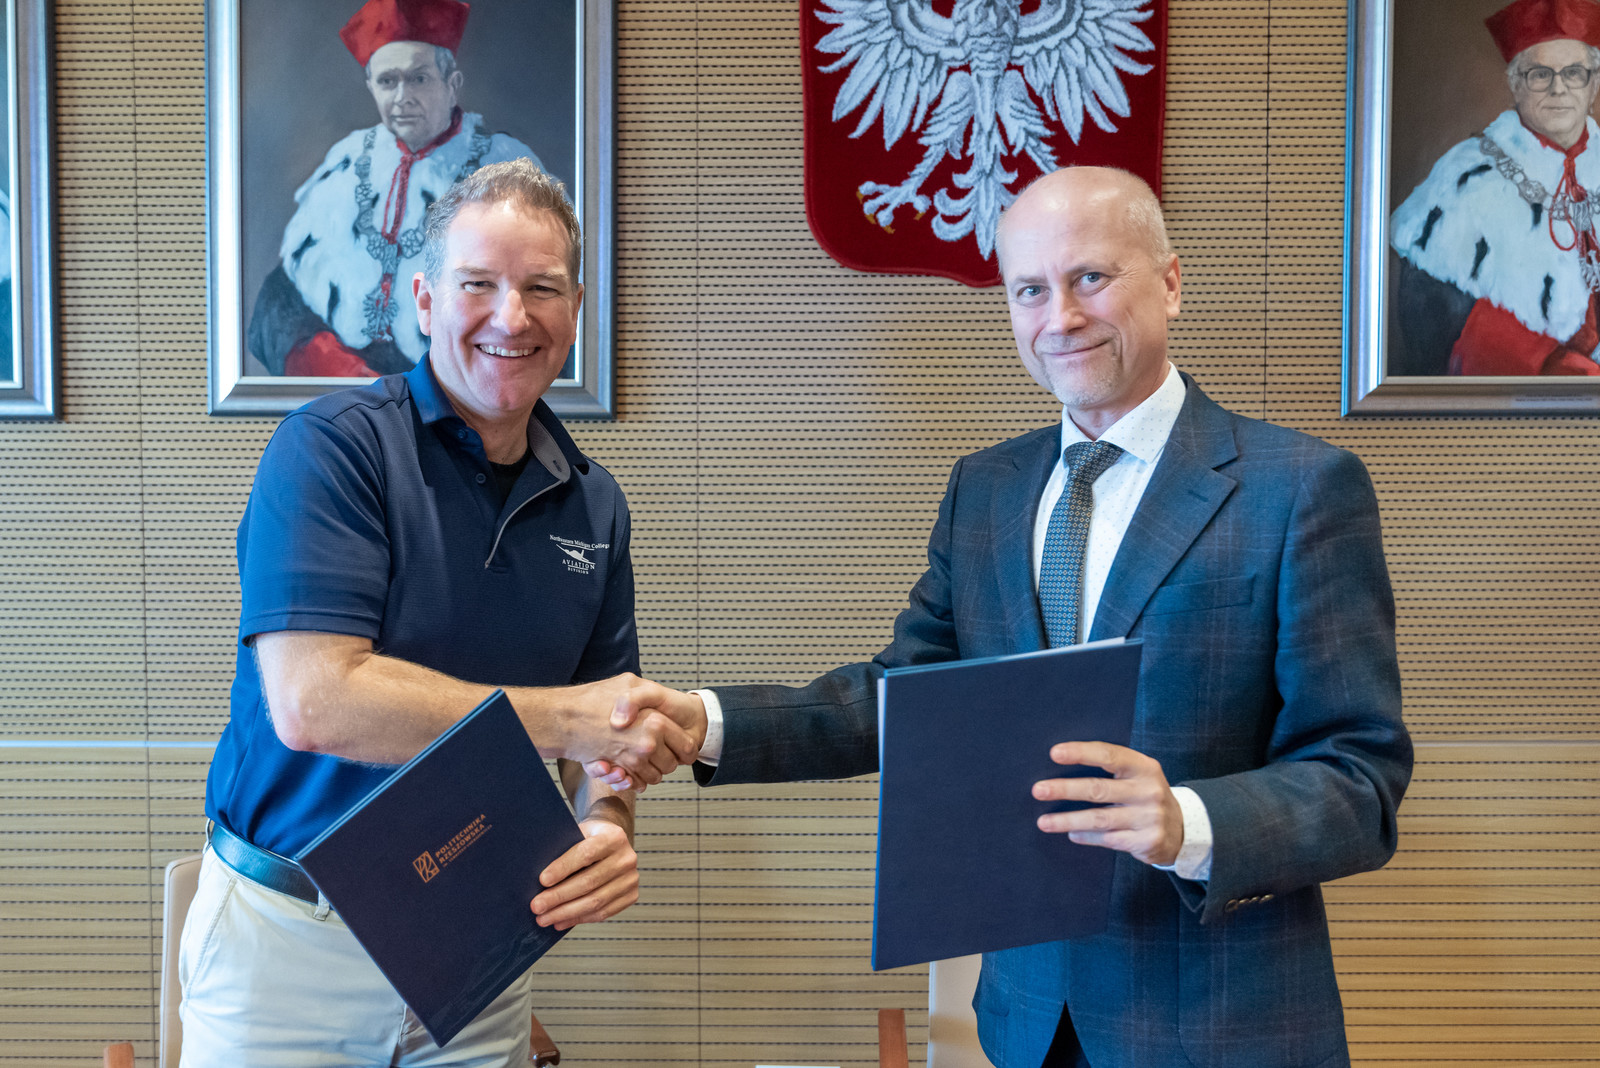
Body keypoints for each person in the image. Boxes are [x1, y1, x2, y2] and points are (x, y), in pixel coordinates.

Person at [601, 167, 1413, 1067]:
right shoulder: (986, 490)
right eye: (1030, 289)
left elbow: (1360, 780)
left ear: (1171, 283)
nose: (1059, 317)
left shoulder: (1300, 489)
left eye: (1090, 277)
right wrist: (706, 723)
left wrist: (1187, 821)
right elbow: (904, 698)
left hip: (1223, 1027)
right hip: (1030, 1020)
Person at [179, 159, 702, 1066]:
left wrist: (607, 822)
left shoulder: (596, 504)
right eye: (478, 284)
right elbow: (315, 703)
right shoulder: (331, 450)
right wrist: (568, 722)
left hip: (479, 942)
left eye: (543, 288)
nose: (512, 317)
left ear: (576, 309)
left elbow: (607, 729)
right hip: (290, 945)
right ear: (423, 300)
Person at [247, 0, 543, 378]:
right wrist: (330, 364)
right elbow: (281, 302)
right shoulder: (345, 162)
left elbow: (540, 300)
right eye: (388, 81)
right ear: (371, 87)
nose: (402, 97)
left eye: (418, 78)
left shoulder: (506, 167)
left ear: (452, 85)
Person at [1389, 0, 1600, 375]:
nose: (1559, 88)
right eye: (1540, 74)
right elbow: (1432, 333)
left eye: (1574, 73)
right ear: (1516, 84)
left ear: (1594, 84)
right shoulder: (1466, 176)